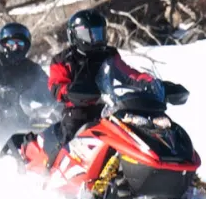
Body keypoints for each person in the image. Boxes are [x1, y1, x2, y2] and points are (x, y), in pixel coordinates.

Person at [42, 9, 167, 158]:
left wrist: (149, 82)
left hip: (109, 108)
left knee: (138, 131)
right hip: (78, 112)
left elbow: (128, 74)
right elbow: (57, 86)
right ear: (75, 35)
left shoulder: (108, 54)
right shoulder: (63, 60)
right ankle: (51, 172)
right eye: (90, 35)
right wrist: (71, 92)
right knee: (69, 143)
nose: (96, 39)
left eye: (99, 33)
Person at [0, 21, 51, 136]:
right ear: (4, 44)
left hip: (21, 113)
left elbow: (46, 83)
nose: (16, 47)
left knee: (49, 121)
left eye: (20, 44)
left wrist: (54, 94)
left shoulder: (30, 67)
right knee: (2, 114)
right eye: (12, 43)